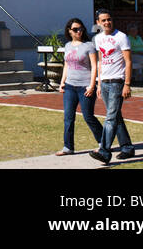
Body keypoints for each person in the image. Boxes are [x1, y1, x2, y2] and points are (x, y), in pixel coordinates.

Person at [90, 9, 136, 163]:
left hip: (117, 81)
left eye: (109, 19)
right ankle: (127, 148)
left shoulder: (121, 37)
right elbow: (101, 61)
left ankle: (104, 151)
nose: (107, 23)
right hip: (105, 82)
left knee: (110, 118)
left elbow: (128, 61)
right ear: (98, 22)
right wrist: (98, 83)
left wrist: (127, 84)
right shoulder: (97, 39)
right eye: (103, 20)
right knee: (116, 116)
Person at [56, 17, 104, 155]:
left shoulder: (89, 46)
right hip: (70, 86)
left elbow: (95, 66)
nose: (79, 31)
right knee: (68, 117)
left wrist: (91, 85)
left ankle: (103, 142)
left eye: (81, 29)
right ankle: (68, 147)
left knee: (88, 116)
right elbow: (67, 65)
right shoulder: (67, 46)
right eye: (76, 29)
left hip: (85, 86)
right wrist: (62, 82)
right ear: (69, 31)